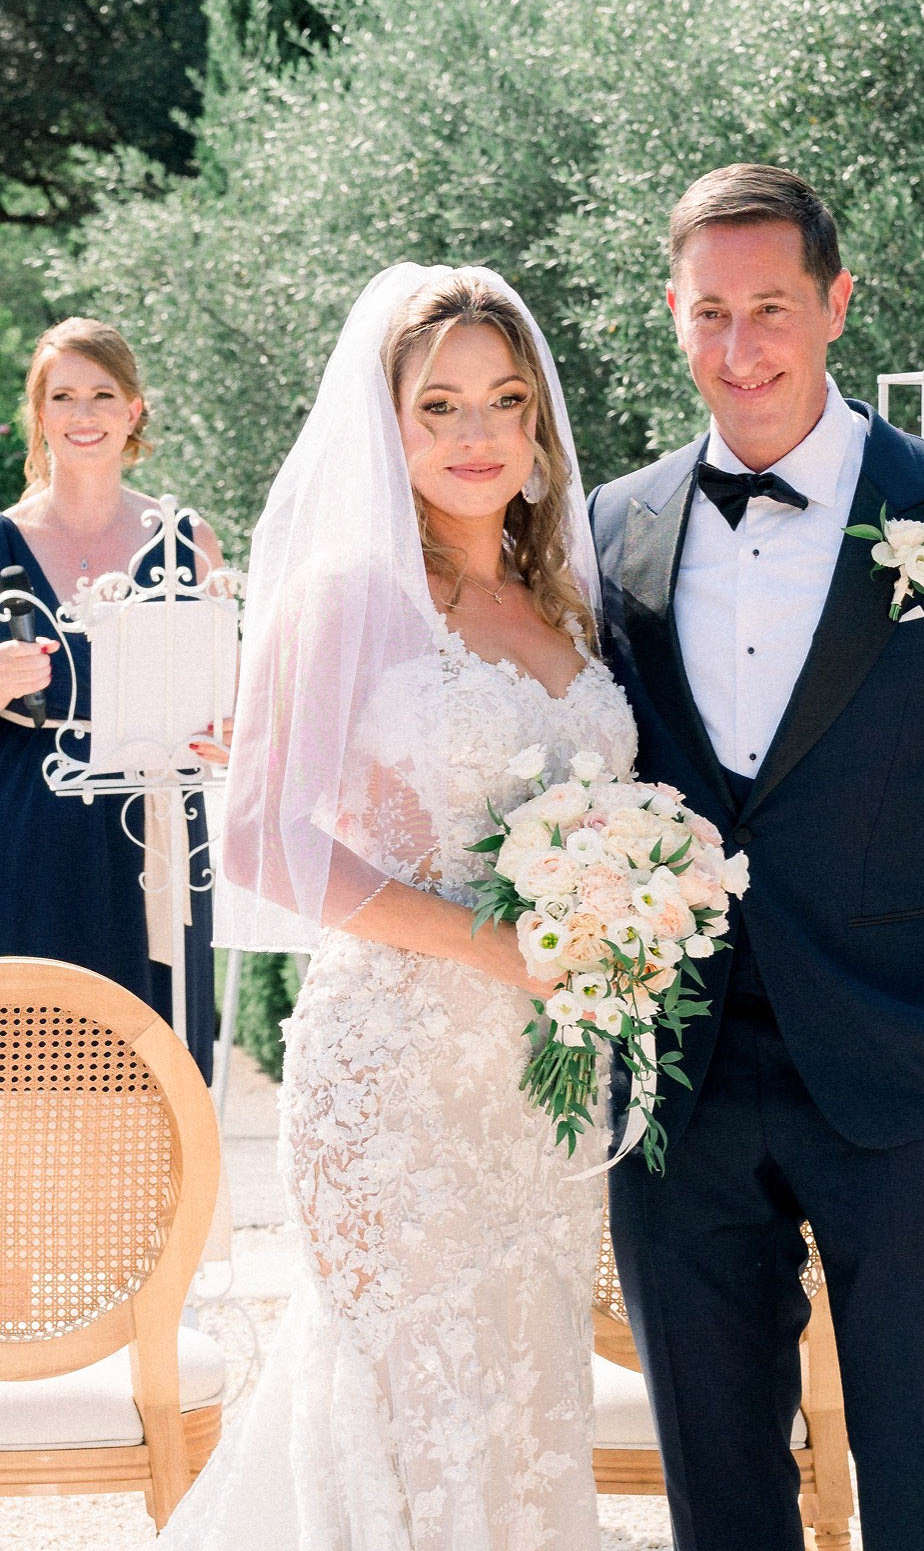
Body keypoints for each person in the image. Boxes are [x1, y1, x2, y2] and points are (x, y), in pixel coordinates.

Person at [588, 165, 924, 1551]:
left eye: (771, 307)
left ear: (836, 303)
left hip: (908, 1068)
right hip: (680, 1084)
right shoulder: (612, 531)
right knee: (718, 1494)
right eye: (709, 312)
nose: (742, 347)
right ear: (673, 318)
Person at [158, 265, 636, 1551]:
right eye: (439, 407)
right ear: (389, 429)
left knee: (528, 1404)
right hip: (394, 1082)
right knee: (407, 1405)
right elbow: (257, 835)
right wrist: (498, 945)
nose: (478, 435)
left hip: (539, 1088)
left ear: (538, 427)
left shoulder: (567, 608)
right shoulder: (349, 601)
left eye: (505, 401)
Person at [0, 317, 224, 1080]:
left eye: (102, 394)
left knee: (153, 1066)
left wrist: (228, 725)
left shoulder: (188, 541)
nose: (83, 414)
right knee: (30, 1061)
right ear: (40, 414)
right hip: (26, 826)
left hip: (155, 834)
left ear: (134, 411)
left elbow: (231, 701)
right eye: (63, 396)